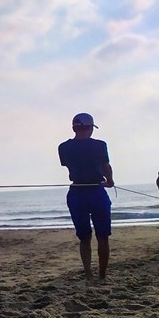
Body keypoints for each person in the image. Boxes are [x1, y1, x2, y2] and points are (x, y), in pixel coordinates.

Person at [58, 113, 115, 281]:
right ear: (89, 128)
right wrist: (110, 181)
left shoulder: (63, 147)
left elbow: (69, 165)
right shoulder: (99, 145)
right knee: (102, 236)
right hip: (96, 191)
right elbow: (106, 166)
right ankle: (102, 275)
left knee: (84, 237)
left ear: (74, 127)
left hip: (77, 193)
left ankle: (89, 273)